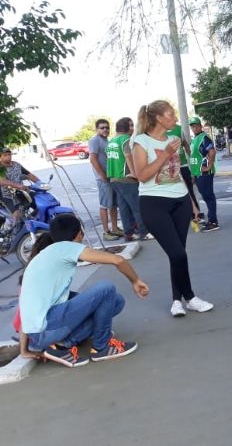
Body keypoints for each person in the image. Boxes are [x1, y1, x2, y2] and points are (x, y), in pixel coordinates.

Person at [17, 215, 147, 367]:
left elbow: (25, 306)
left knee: (116, 301)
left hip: (37, 335)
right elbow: (118, 260)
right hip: (46, 329)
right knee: (106, 289)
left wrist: (24, 350)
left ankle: (61, 346)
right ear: (79, 234)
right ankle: (101, 347)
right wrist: (136, 281)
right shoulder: (66, 247)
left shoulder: (43, 256)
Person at [132, 100, 214, 317]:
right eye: (171, 114)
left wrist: (193, 203)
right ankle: (191, 298)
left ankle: (177, 301)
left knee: (178, 254)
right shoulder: (141, 141)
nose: (175, 119)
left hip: (180, 201)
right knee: (177, 253)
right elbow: (142, 175)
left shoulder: (172, 140)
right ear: (158, 118)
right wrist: (165, 153)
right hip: (154, 202)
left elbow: (176, 174)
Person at [106, 117, 152, 242]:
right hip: (126, 179)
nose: (133, 128)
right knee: (137, 207)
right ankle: (144, 233)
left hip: (114, 179)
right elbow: (128, 156)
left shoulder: (111, 141)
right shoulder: (126, 140)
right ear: (125, 127)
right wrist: (135, 173)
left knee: (124, 208)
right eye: (131, 125)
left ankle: (129, 233)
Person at [89, 118, 123, 241]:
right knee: (104, 205)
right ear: (97, 129)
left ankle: (114, 228)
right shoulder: (94, 141)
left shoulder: (107, 141)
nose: (105, 130)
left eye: (107, 127)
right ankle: (106, 232)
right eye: (102, 127)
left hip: (111, 177)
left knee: (113, 205)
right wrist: (102, 175)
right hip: (103, 179)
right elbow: (93, 159)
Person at [188, 117, 219, 232]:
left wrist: (209, 166)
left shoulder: (204, 138)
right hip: (198, 173)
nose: (194, 128)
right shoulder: (195, 139)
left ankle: (213, 222)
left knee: (209, 196)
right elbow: (194, 158)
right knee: (206, 196)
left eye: (196, 126)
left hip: (204, 173)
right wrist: (193, 174)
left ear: (200, 126)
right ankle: (211, 219)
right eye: (192, 126)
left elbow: (212, 151)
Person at [170, 124, 204, 224]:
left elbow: (185, 144)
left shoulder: (178, 129)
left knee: (189, 190)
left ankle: (195, 214)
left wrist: (193, 159)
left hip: (183, 165)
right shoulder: (158, 130)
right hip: (170, 168)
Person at [0, 147, 40, 230]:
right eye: (5, 155)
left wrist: (40, 184)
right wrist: (18, 185)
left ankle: (34, 223)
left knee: (39, 201)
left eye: (9, 154)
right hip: (6, 194)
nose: (8, 156)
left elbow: (29, 175)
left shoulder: (16, 165)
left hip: (20, 192)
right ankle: (15, 232)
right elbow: (2, 181)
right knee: (17, 214)